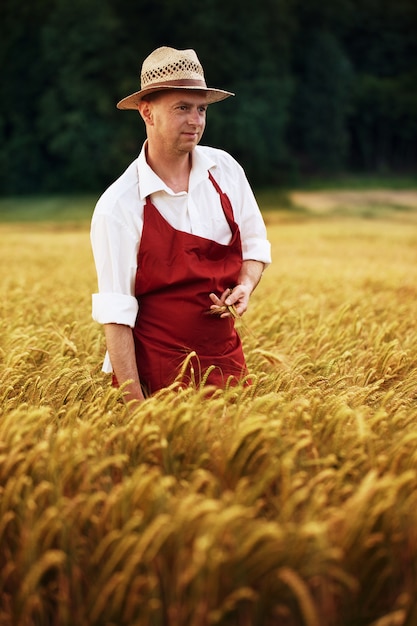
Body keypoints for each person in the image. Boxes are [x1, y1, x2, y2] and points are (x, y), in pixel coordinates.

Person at [90, 46, 271, 404]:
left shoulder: (227, 171)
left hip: (226, 363)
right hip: (159, 378)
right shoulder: (119, 205)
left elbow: (255, 247)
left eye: (201, 109)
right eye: (182, 108)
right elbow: (116, 316)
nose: (196, 120)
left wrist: (246, 285)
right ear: (147, 113)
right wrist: (136, 410)